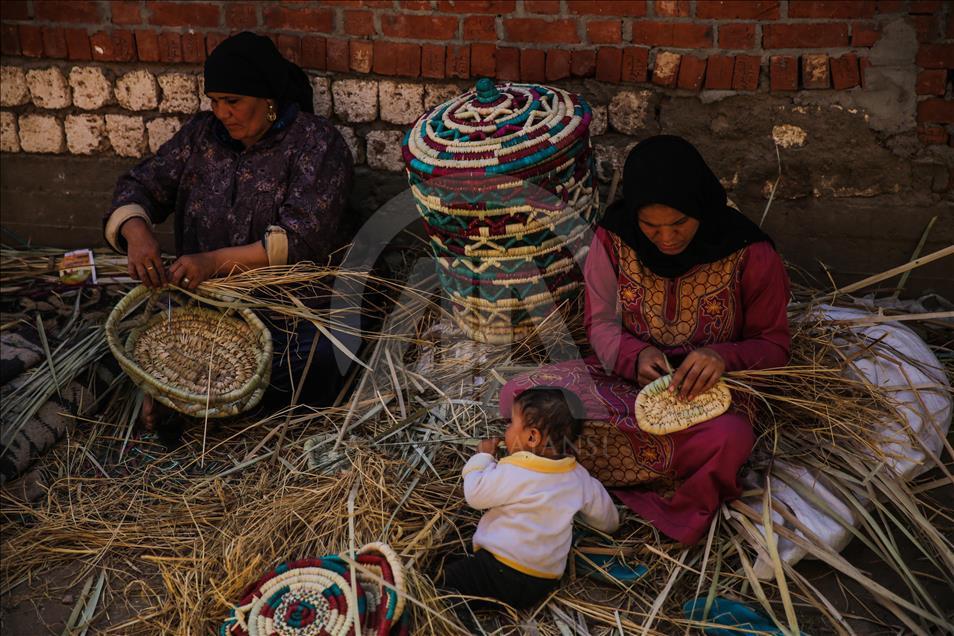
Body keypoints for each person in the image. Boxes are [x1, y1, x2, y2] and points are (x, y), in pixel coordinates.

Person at [500, 135, 790, 545]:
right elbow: (598, 323)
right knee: (520, 394)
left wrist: (721, 357)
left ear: (702, 209)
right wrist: (633, 356)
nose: (666, 239)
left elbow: (774, 345)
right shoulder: (613, 238)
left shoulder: (751, 253)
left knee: (732, 440)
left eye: (679, 224)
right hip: (624, 380)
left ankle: (587, 481)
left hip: (710, 397)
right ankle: (612, 478)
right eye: (651, 227)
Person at [102, 32, 354, 431]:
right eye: (215, 101)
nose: (221, 112)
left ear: (268, 99)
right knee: (142, 353)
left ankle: (219, 407)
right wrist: (137, 231)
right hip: (208, 309)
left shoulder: (314, 142)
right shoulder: (201, 137)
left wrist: (213, 262)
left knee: (320, 360)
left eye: (233, 101)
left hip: (288, 311)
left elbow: (303, 238)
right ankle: (189, 396)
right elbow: (139, 185)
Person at [442, 387, 619, 611]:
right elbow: (608, 520)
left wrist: (482, 457)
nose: (506, 429)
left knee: (446, 584)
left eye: (511, 424)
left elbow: (475, 494)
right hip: (541, 582)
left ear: (532, 437)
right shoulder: (579, 477)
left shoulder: (516, 471)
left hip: (499, 568)